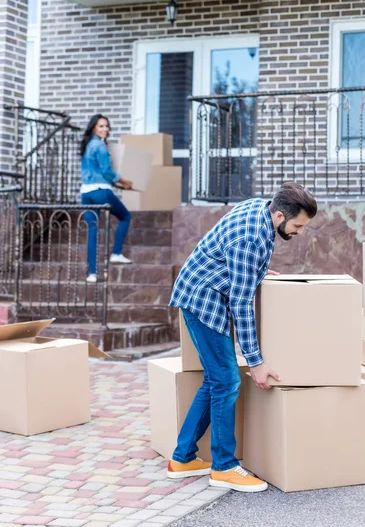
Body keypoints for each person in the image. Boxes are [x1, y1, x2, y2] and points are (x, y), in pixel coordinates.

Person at [168, 182, 318, 492]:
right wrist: (256, 362)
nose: (300, 232)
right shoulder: (251, 238)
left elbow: (234, 258)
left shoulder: (259, 208)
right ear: (279, 214)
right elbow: (241, 304)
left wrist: (256, 270)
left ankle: (182, 458)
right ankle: (223, 467)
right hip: (203, 299)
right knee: (226, 381)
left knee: (216, 380)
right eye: (298, 225)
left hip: (201, 287)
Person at [80, 113, 133, 283]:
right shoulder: (101, 146)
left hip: (86, 193)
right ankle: (116, 253)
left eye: (106, 126)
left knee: (92, 230)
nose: (105, 129)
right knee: (125, 216)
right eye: (101, 126)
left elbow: (95, 172)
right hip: (101, 192)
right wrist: (124, 181)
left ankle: (92, 274)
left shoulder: (88, 145)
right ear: (94, 128)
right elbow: (106, 172)